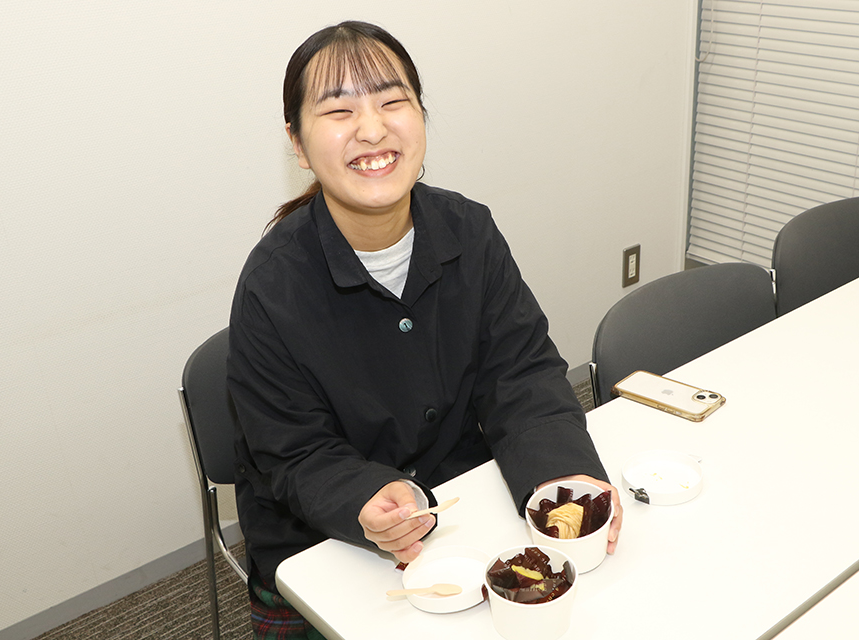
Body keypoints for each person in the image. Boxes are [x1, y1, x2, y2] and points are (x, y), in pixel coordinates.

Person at [227, 20, 622, 639]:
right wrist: (363, 495)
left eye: (392, 101)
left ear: (421, 117)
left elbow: (521, 373)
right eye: (339, 111)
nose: (372, 129)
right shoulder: (271, 286)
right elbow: (293, 451)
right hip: (324, 545)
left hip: (463, 508)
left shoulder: (470, 231)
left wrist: (559, 477)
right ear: (298, 144)